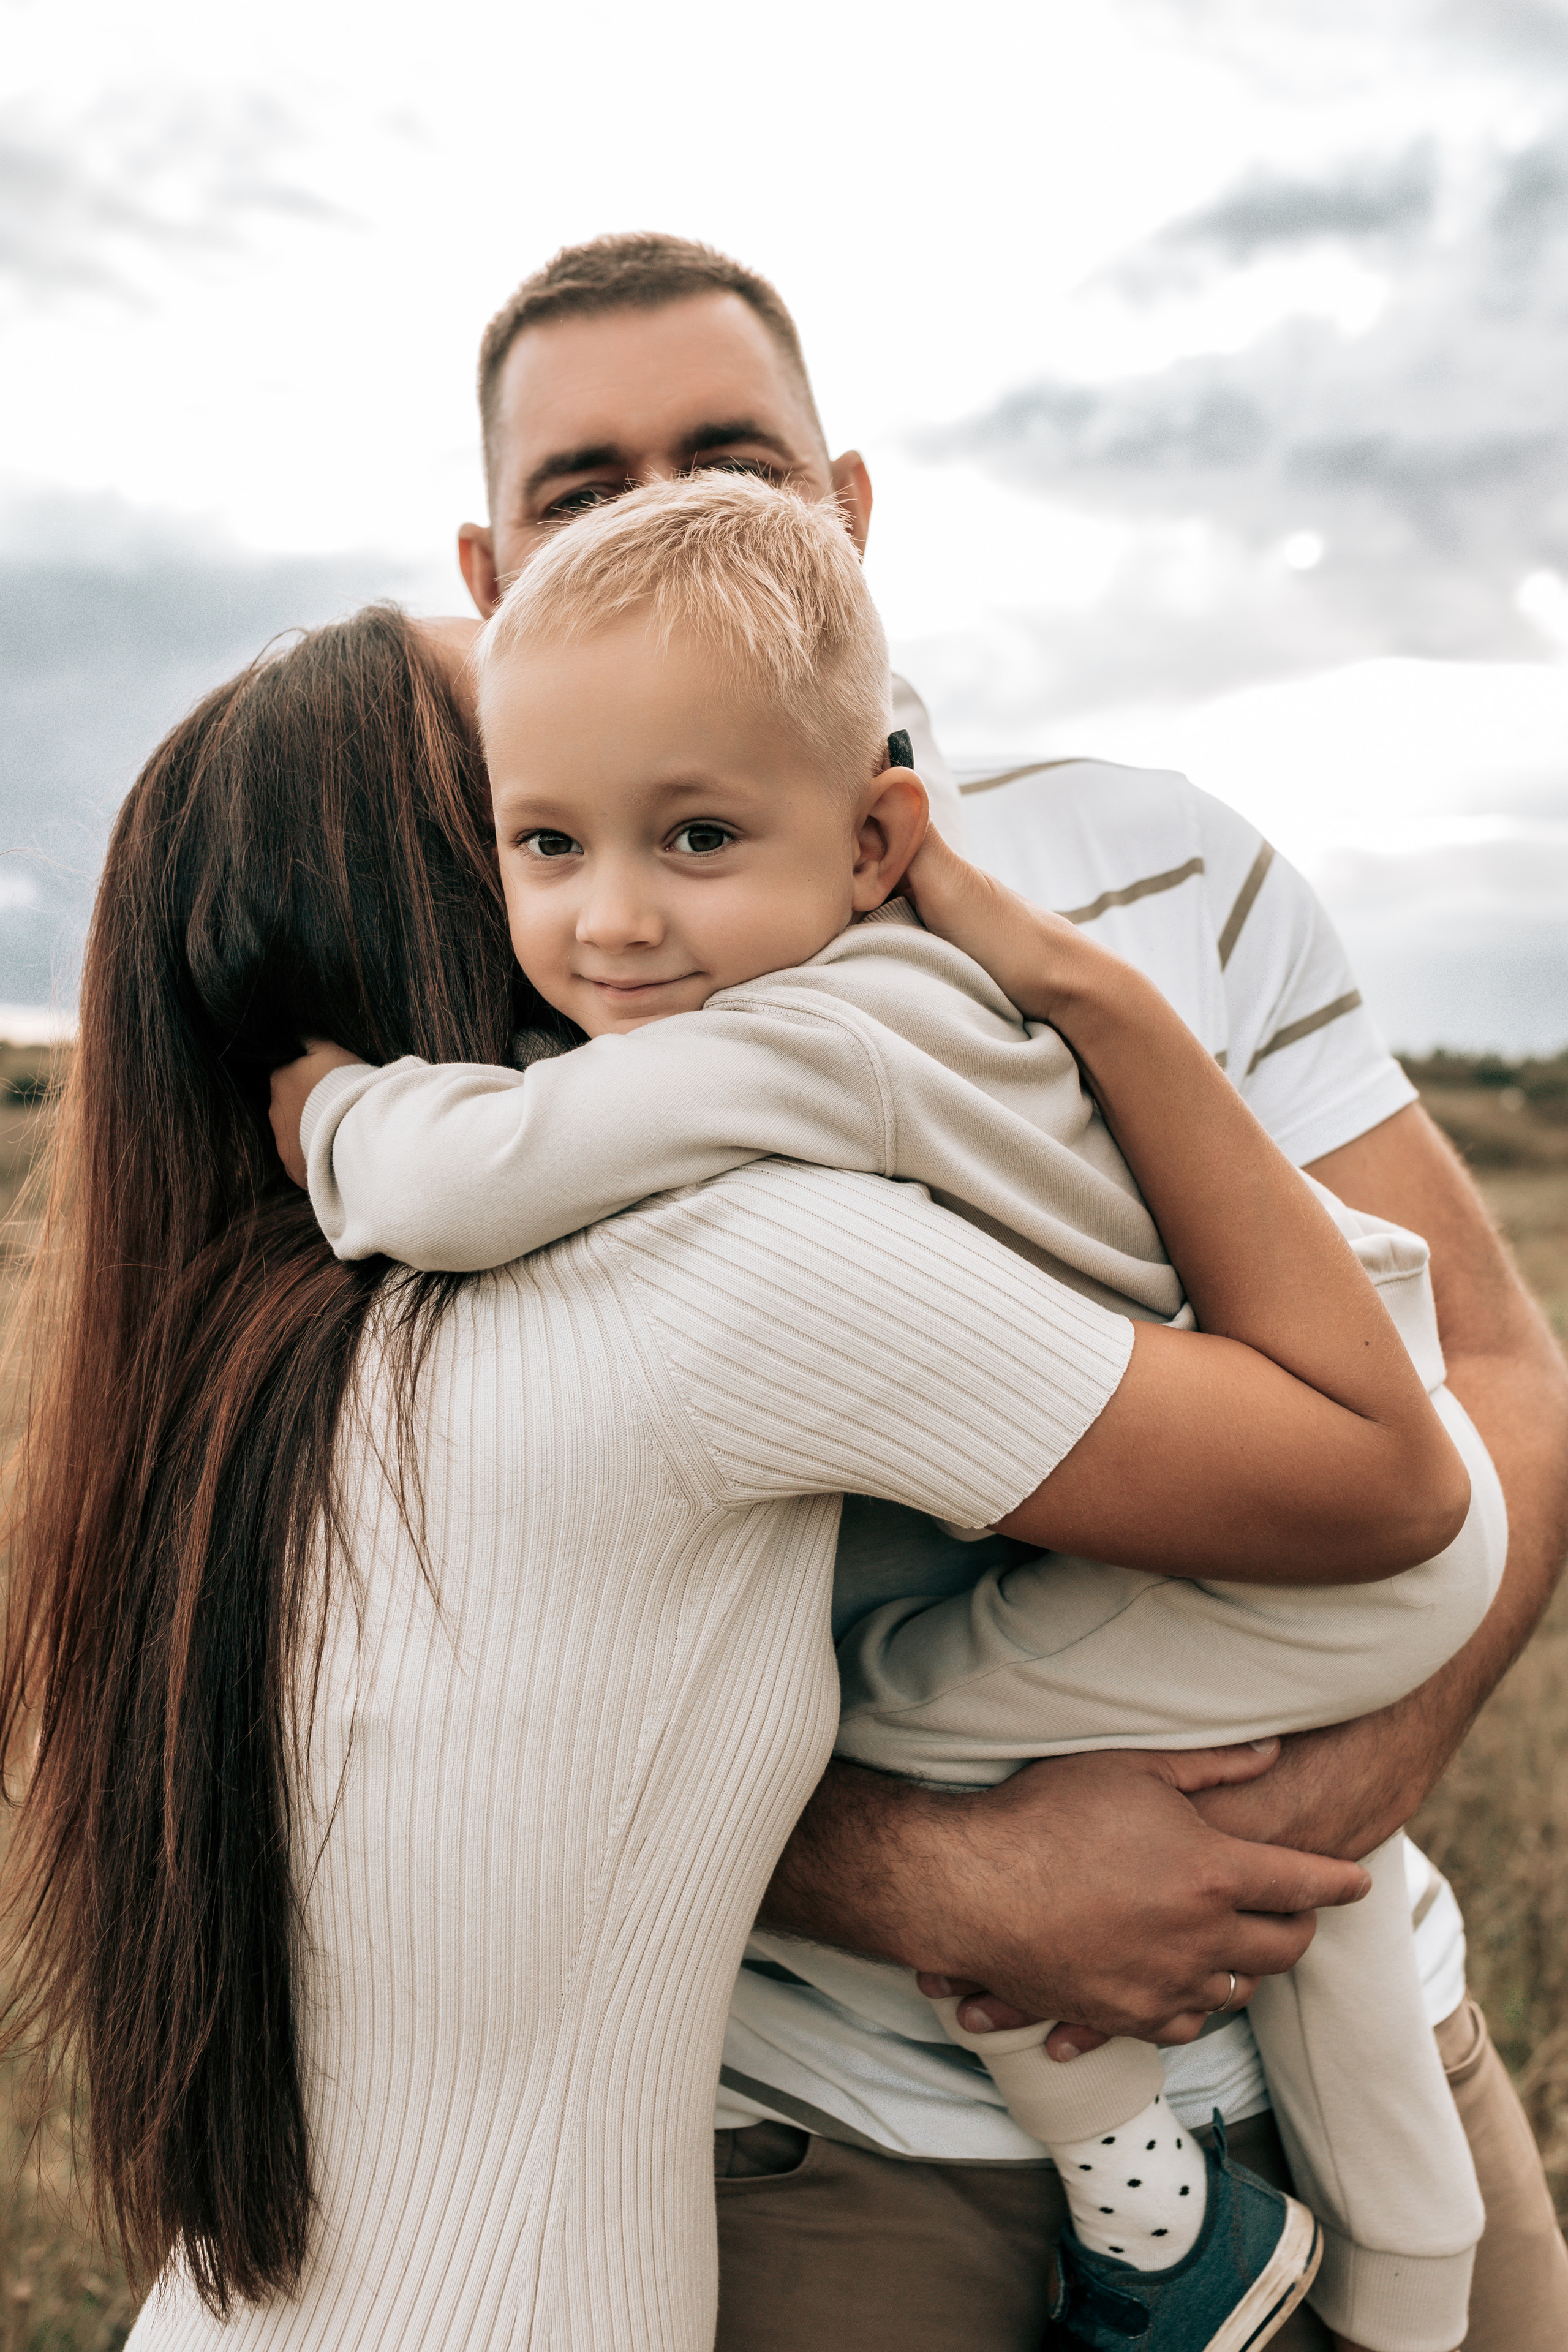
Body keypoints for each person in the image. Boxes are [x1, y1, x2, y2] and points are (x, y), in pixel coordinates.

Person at [0, 604, 1379, 2352]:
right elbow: (1374, 1473)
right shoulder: (725, 1280)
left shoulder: (214, 1380)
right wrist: (1085, 984)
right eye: (543, 804)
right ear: (474, 883)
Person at [450, 232, 1568, 2352]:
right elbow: (440, 1653)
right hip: (841, 2137)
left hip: (1363, 2004)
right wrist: (936, 1881)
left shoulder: (1168, 859)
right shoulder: (516, 1004)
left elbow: (1499, 1368)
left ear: (849, 515)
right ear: (493, 570)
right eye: (588, 493)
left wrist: (1326, 1804)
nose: (675, 514)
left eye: (738, 462)